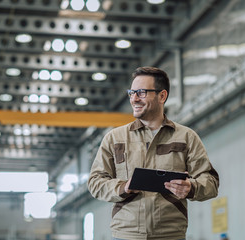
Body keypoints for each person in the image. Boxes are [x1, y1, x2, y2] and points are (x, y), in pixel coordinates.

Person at [87, 66, 219, 240]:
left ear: (162, 96)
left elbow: (210, 182)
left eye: (141, 92)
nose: (134, 99)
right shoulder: (114, 138)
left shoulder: (186, 137)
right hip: (126, 235)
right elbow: (95, 182)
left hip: (170, 235)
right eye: (131, 92)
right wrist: (123, 187)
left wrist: (191, 187)